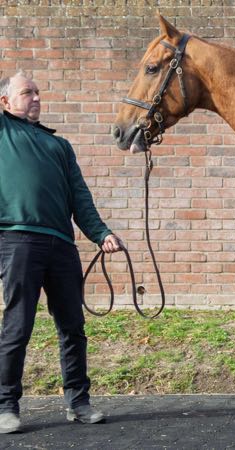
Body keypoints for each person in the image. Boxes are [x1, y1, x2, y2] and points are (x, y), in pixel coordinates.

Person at [0, 71, 124, 433]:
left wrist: (101, 233)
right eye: (27, 92)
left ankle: (78, 401)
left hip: (61, 245)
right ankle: (6, 405)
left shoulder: (60, 146)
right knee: (17, 327)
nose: (36, 97)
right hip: (18, 240)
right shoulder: (4, 131)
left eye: (38, 92)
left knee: (73, 327)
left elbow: (79, 197)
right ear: (5, 101)